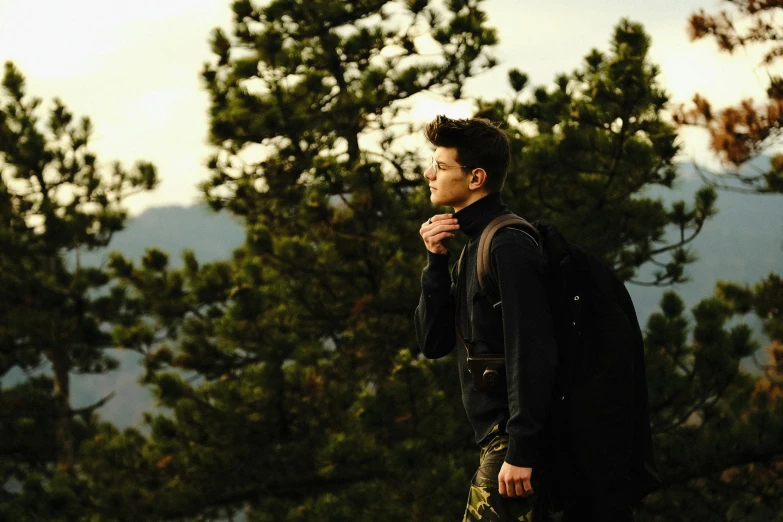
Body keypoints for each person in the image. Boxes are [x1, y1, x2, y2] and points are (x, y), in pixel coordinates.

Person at [414, 115, 559, 521]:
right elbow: (434, 342)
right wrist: (435, 263)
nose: (429, 173)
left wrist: (522, 449)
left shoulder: (507, 245)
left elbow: (531, 349)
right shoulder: (474, 245)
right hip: (500, 445)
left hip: (512, 447)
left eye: (441, 167)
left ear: (476, 177)